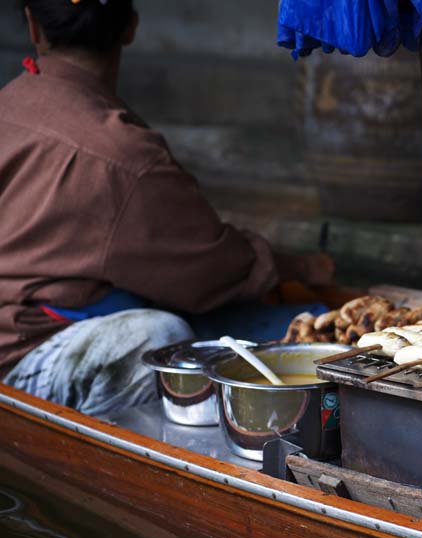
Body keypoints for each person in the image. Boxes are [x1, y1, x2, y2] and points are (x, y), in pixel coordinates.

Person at [0, 0, 334, 416]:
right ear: (131, 27)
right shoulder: (122, 155)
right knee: (161, 334)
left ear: (33, 27)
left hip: (46, 324)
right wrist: (300, 268)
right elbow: (211, 271)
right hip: (24, 363)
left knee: (294, 326)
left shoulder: (8, 106)